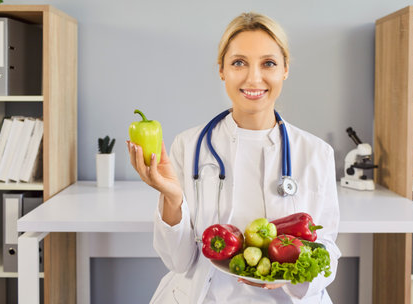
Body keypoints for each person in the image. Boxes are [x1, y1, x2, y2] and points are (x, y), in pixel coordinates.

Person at [127, 12, 340, 304]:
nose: (254, 78)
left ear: (285, 69)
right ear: (222, 70)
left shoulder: (316, 153)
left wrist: (297, 278)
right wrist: (172, 200)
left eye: (269, 63)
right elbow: (178, 262)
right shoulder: (187, 146)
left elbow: (326, 249)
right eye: (239, 62)